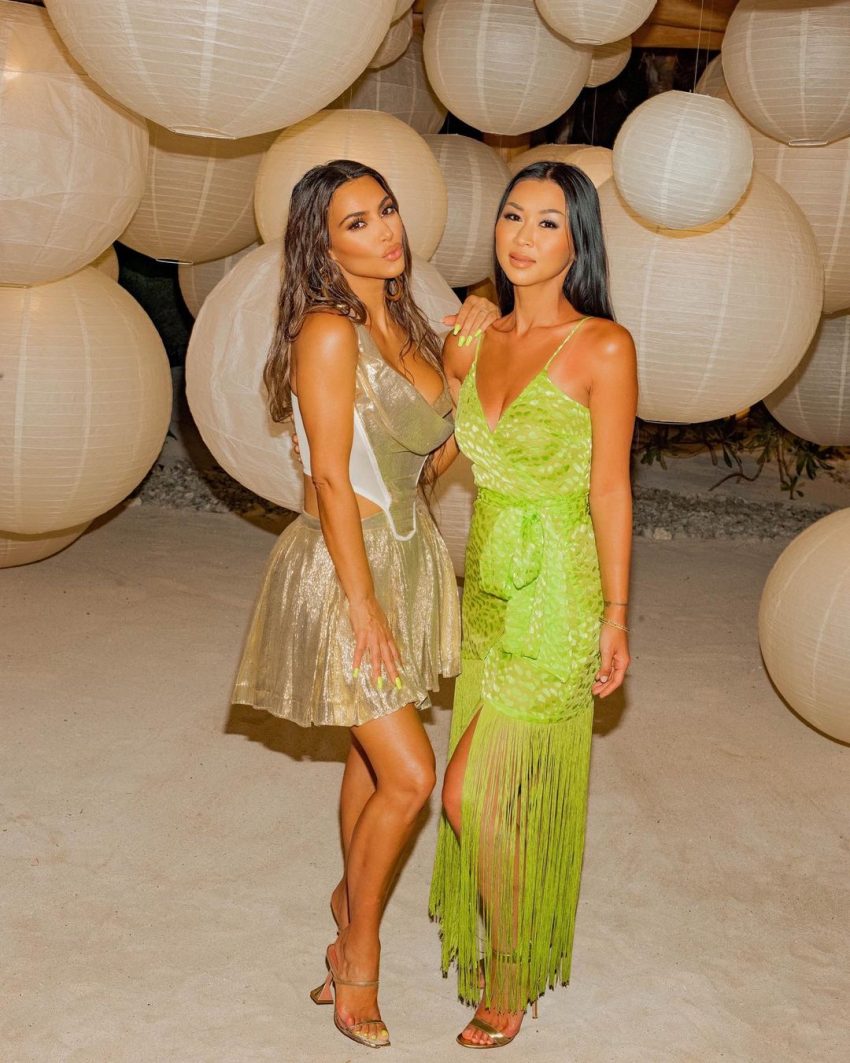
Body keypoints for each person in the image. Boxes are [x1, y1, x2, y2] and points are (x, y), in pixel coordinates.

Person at [231, 159, 495, 1050]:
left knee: (373, 757)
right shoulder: (327, 330)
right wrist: (363, 606)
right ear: (323, 243)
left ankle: (351, 900)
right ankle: (358, 948)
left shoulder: (403, 322)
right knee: (413, 776)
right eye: (357, 222)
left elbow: (428, 462)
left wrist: (464, 371)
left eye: (385, 210)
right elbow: (335, 482)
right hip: (348, 569)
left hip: (410, 556)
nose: (385, 230)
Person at [429, 161, 637, 1049]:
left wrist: (617, 613)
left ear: (577, 241)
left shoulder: (603, 347)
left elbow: (610, 489)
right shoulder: (471, 338)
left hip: (557, 589)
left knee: (467, 795)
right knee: (496, 801)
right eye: (513, 215)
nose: (524, 235)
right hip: (486, 584)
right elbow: (435, 455)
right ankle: (512, 944)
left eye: (549, 222)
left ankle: (511, 969)